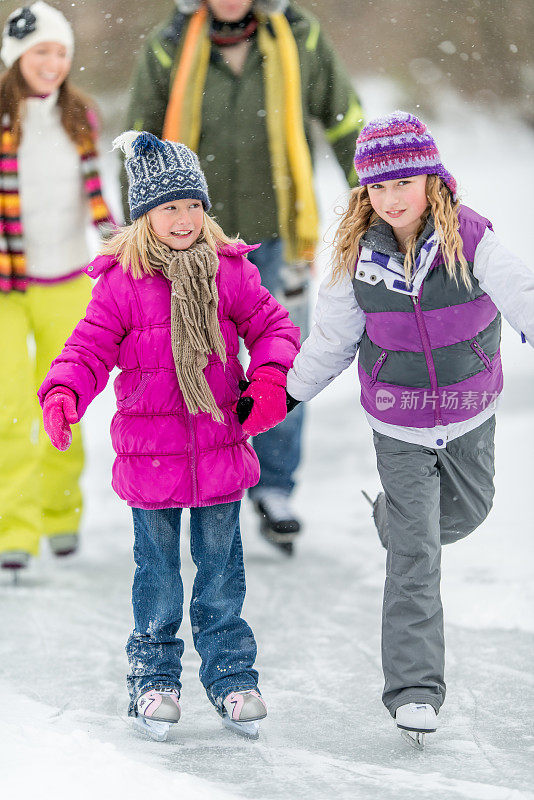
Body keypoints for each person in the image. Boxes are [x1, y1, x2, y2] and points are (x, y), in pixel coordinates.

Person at [38, 131, 299, 738]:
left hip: (219, 449)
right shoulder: (122, 281)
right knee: (157, 577)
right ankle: (153, 680)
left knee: (220, 576)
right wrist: (64, 391)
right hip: (151, 457)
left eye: (192, 206)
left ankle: (233, 679)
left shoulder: (230, 270)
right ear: (143, 216)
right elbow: (89, 346)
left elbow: (273, 327)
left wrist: (268, 378)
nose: (183, 219)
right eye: (167, 208)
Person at [285, 111, 534, 745]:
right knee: (417, 557)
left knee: (471, 511)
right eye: (378, 188)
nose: (391, 200)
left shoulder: (472, 240)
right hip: (396, 421)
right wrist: (287, 391)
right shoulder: (354, 261)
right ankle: (415, 690)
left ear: (432, 179)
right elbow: (332, 341)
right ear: (364, 194)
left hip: (470, 410)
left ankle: (393, 522)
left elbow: (522, 293)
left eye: (404, 183)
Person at [123, 0, 364, 549]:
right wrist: (134, 238)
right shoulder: (170, 44)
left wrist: (373, 200)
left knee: (284, 355)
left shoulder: (298, 37)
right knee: (190, 359)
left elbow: (346, 120)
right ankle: (200, 482)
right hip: (191, 242)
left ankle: (275, 485)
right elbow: (137, 143)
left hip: (280, 232)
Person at [0, 1, 114, 573]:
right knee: (11, 409)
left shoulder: (80, 119)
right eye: (41, 51)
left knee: (62, 405)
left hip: (67, 281)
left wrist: (122, 247)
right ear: (17, 55)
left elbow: (97, 202)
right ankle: (14, 530)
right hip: (4, 287)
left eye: (61, 52)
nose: (52, 62)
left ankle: (61, 515)